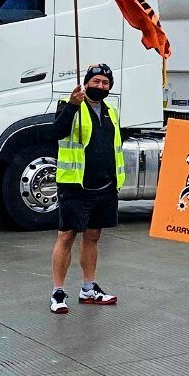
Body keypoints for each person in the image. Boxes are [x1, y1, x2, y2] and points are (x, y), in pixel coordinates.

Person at [49, 64, 123, 314]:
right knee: (67, 236)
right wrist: (71, 105)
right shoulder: (70, 105)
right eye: (96, 81)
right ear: (87, 82)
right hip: (75, 184)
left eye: (105, 83)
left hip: (104, 186)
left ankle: (88, 288)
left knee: (93, 237)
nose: (100, 86)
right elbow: (56, 132)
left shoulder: (111, 110)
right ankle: (58, 293)